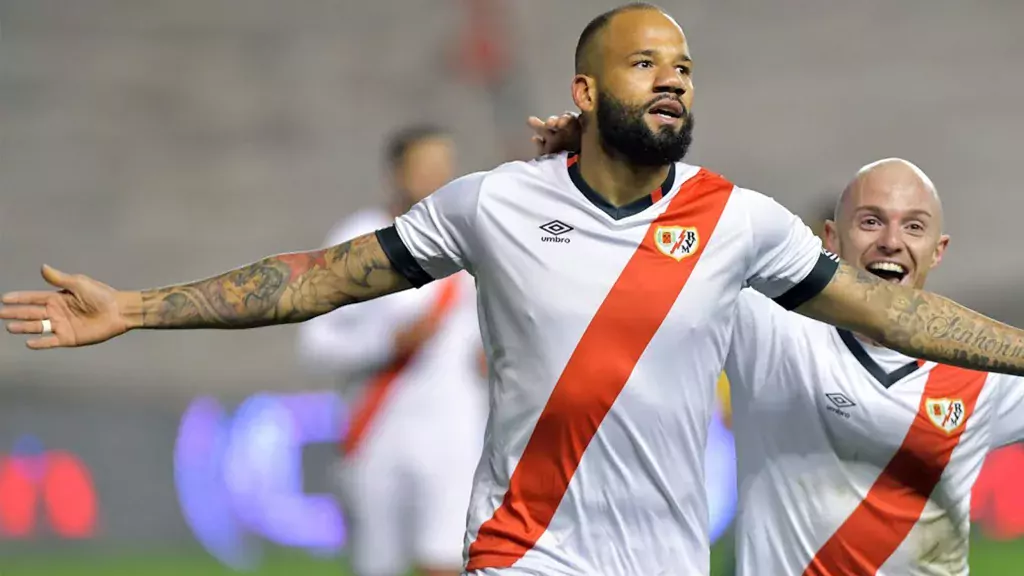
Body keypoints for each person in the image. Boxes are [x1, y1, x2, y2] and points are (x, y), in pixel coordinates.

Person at [5, 4, 1024, 574]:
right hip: (523, 553)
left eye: (683, 66)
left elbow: (896, 311)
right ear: (585, 93)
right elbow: (323, 279)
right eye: (644, 64)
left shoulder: (738, 222)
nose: (672, 80)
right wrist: (136, 308)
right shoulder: (490, 204)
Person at [531, 109, 1024, 575]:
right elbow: (645, 239)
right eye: (871, 221)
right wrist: (595, 165)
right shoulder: (770, 328)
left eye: (913, 227)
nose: (891, 241)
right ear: (830, 238)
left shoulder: (987, 375)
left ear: (937, 251)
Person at [296, 126, 486, 576]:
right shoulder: (358, 238)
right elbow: (315, 345)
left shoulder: (479, 244)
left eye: (445, 167)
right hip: (377, 432)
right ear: (396, 174)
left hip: (455, 433)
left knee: (445, 562)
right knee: (376, 565)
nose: (438, 178)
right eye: (426, 168)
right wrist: (387, 344)